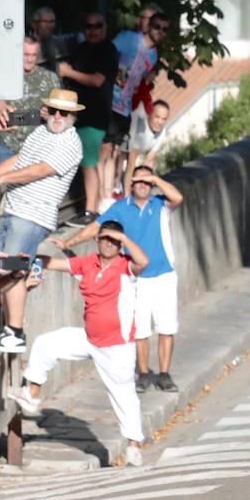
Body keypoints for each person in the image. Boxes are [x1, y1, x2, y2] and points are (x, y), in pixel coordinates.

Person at [8, 220, 150, 467]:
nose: (109, 243)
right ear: (97, 240)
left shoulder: (126, 266)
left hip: (117, 345)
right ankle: (31, 395)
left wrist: (123, 238)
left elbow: (143, 262)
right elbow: (53, 263)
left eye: (114, 240)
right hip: (89, 338)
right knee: (46, 343)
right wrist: (30, 254)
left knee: (124, 395)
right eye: (105, 238)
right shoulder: (89, 263)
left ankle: (134, 446)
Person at [58, 165, 185, 392]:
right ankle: (144, 374)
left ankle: (165, 374)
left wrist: (155, 177)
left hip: (164, 275)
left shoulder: (160, 205)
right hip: (136, 277)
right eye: (139, 181)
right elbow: (94, 229)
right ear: (131, 184)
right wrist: (69, 243)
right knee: (141, 329)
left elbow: (178, 197)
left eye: (147, 182)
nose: (143, 185)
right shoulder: (120, 208)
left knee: (167, 326)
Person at [0, 88, 85, 353]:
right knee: (4, 266)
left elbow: (38, 171)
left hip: (33, 215)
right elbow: (19, 161)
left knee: (12, 267)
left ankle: (14, 330)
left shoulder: (71, 143)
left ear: (73, 116)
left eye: (65, 112)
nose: (58, 116)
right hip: (15, 209)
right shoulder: (42, 131)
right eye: (54, 110)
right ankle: (5, 326)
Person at [100, 11, 166, 206]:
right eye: (157, 27)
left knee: (114, 150)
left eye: (164, 30)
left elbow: (140, 77)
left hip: (126, 106)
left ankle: (109, 196)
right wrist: (115, 71)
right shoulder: (129, 38)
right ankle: (100, 198)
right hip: (109, 98)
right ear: (148, 26)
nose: (160, 32)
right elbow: (107, 52)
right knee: (104, 151)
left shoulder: (153, 55)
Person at [59, 12, 119, 224]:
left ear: (105, 27)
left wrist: (68, 72)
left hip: (95, 116)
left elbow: (97, 80)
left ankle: (90, 211)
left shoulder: (108, 50)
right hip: (79, 115)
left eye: (97, 26)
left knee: (88, 162)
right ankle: (91, 207)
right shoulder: (82, 49)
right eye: (88, 26)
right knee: (86, 161)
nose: (92, 30)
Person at [0, 35, 61, 164]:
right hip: (9, 144)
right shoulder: (4, 77)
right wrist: (36, 115)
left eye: (34, 55)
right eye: (26, 54)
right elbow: (1, 113)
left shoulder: (50, 78)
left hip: (39, 147)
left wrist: (50, 113)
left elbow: (60, 113)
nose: (30, 59)